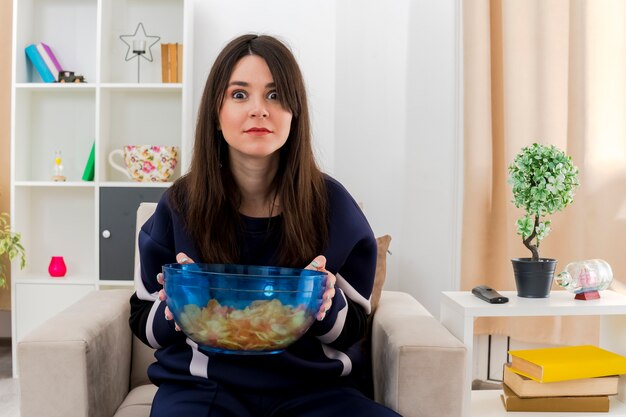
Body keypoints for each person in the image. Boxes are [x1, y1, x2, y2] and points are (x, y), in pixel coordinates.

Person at [129, 33, 401, 417]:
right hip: (203, 388)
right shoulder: (181, 203)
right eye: (239, 95)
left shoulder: (332, 204)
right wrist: (177, 304)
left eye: (275, 95)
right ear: (215, 113)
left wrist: (323, 302)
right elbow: (143, 322)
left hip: (315, 390)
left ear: (295, 112)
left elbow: (355, 325)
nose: (259, 109)